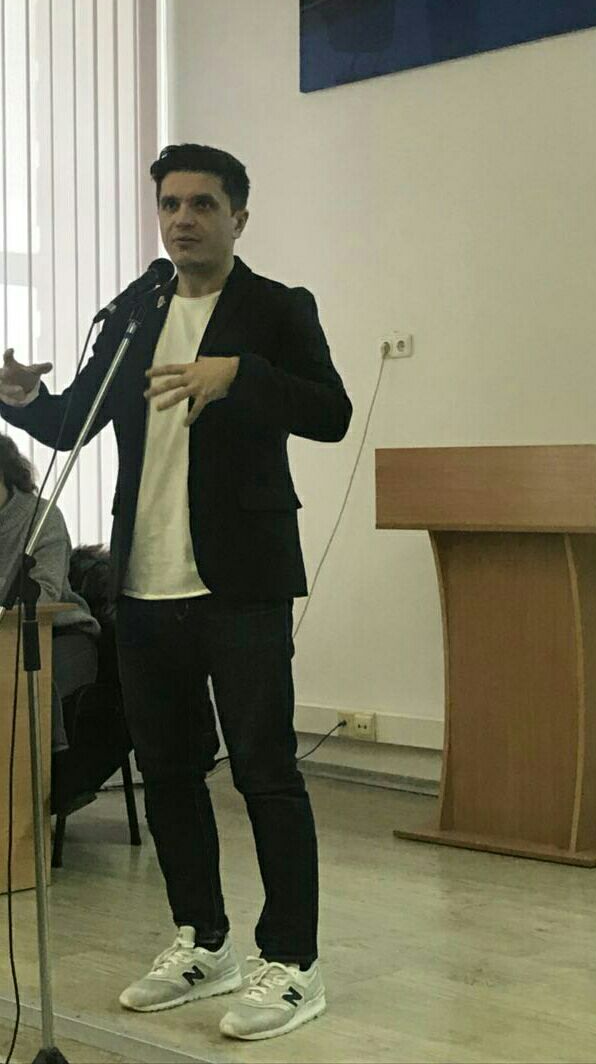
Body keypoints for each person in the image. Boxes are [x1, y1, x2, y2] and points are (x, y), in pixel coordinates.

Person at [0, 143, 352, 1042]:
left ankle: (293, 963)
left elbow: (331, 411)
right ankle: (203, 940)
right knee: (168, 773)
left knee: (266, 771)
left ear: (239, 216)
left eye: (202, 203)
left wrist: (240, 375)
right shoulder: (134, 314)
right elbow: (73, 419)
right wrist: (17, 399)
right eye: (169, 204)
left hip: (242, 584)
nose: (183, 219)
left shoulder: (275, 308)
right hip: (144, 583)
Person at [0, 433, 100, 759]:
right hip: (4, 643)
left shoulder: (43, 517)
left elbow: (42, 596)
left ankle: (43, 778)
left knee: (21, 681)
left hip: (61, 636)